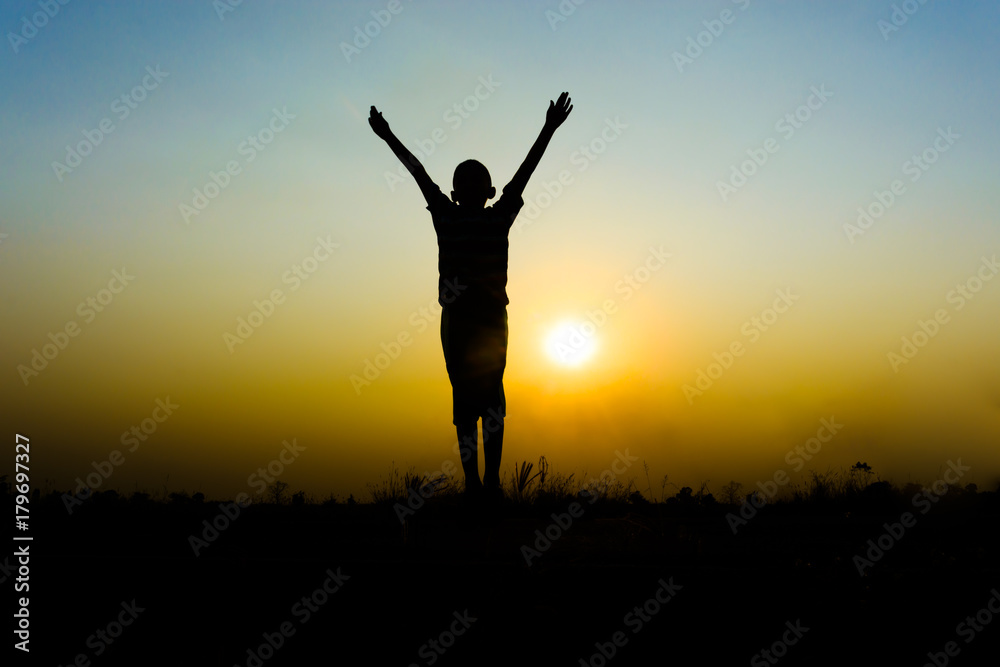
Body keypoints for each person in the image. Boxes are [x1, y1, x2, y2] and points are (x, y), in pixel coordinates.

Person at [369, 92, 573, 500]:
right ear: (458, 191)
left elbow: (522, 173)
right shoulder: (455, 216)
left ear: (488, 189)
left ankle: (489, 482)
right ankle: (474, 483)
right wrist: (388, 137)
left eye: (476, 182)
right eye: (466, 182)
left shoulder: (493, 216)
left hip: (487, 319)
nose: (472, 187)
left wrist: (548, 129)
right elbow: (419, 173)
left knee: (489, 398)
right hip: (462, 319)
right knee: (468, 400)